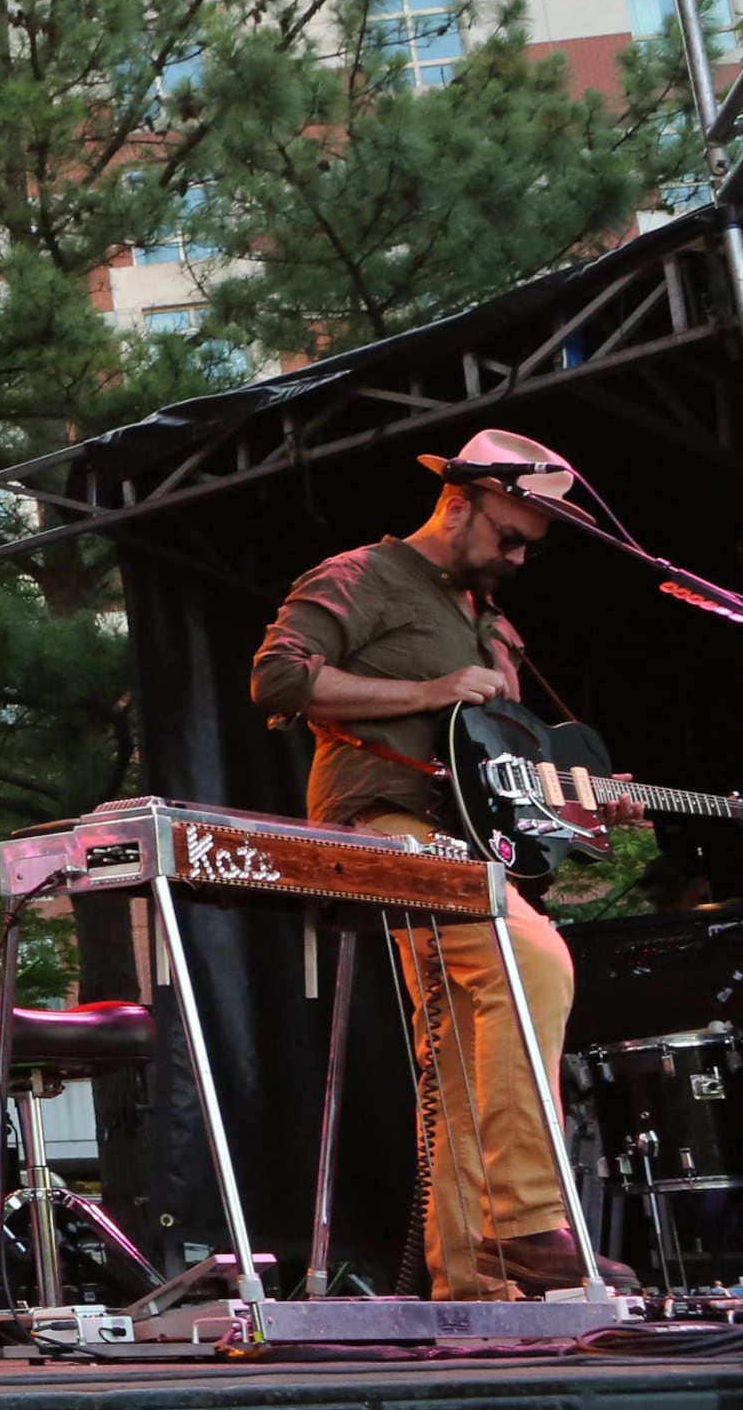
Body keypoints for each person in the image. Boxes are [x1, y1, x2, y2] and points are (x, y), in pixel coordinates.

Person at [250, 429, 619, 1301]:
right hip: (378, 821)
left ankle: (478, 1289)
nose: (520, 556)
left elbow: (500, 773)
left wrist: (578, 797)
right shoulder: (362, 577)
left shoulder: (496, 628)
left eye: (533, 544)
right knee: (530, 959)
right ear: (458, 504)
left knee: (460, 1045)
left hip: (462, 839)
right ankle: (526, 1218)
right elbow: (277, 678)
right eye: (509, 535)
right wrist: (426, 691)